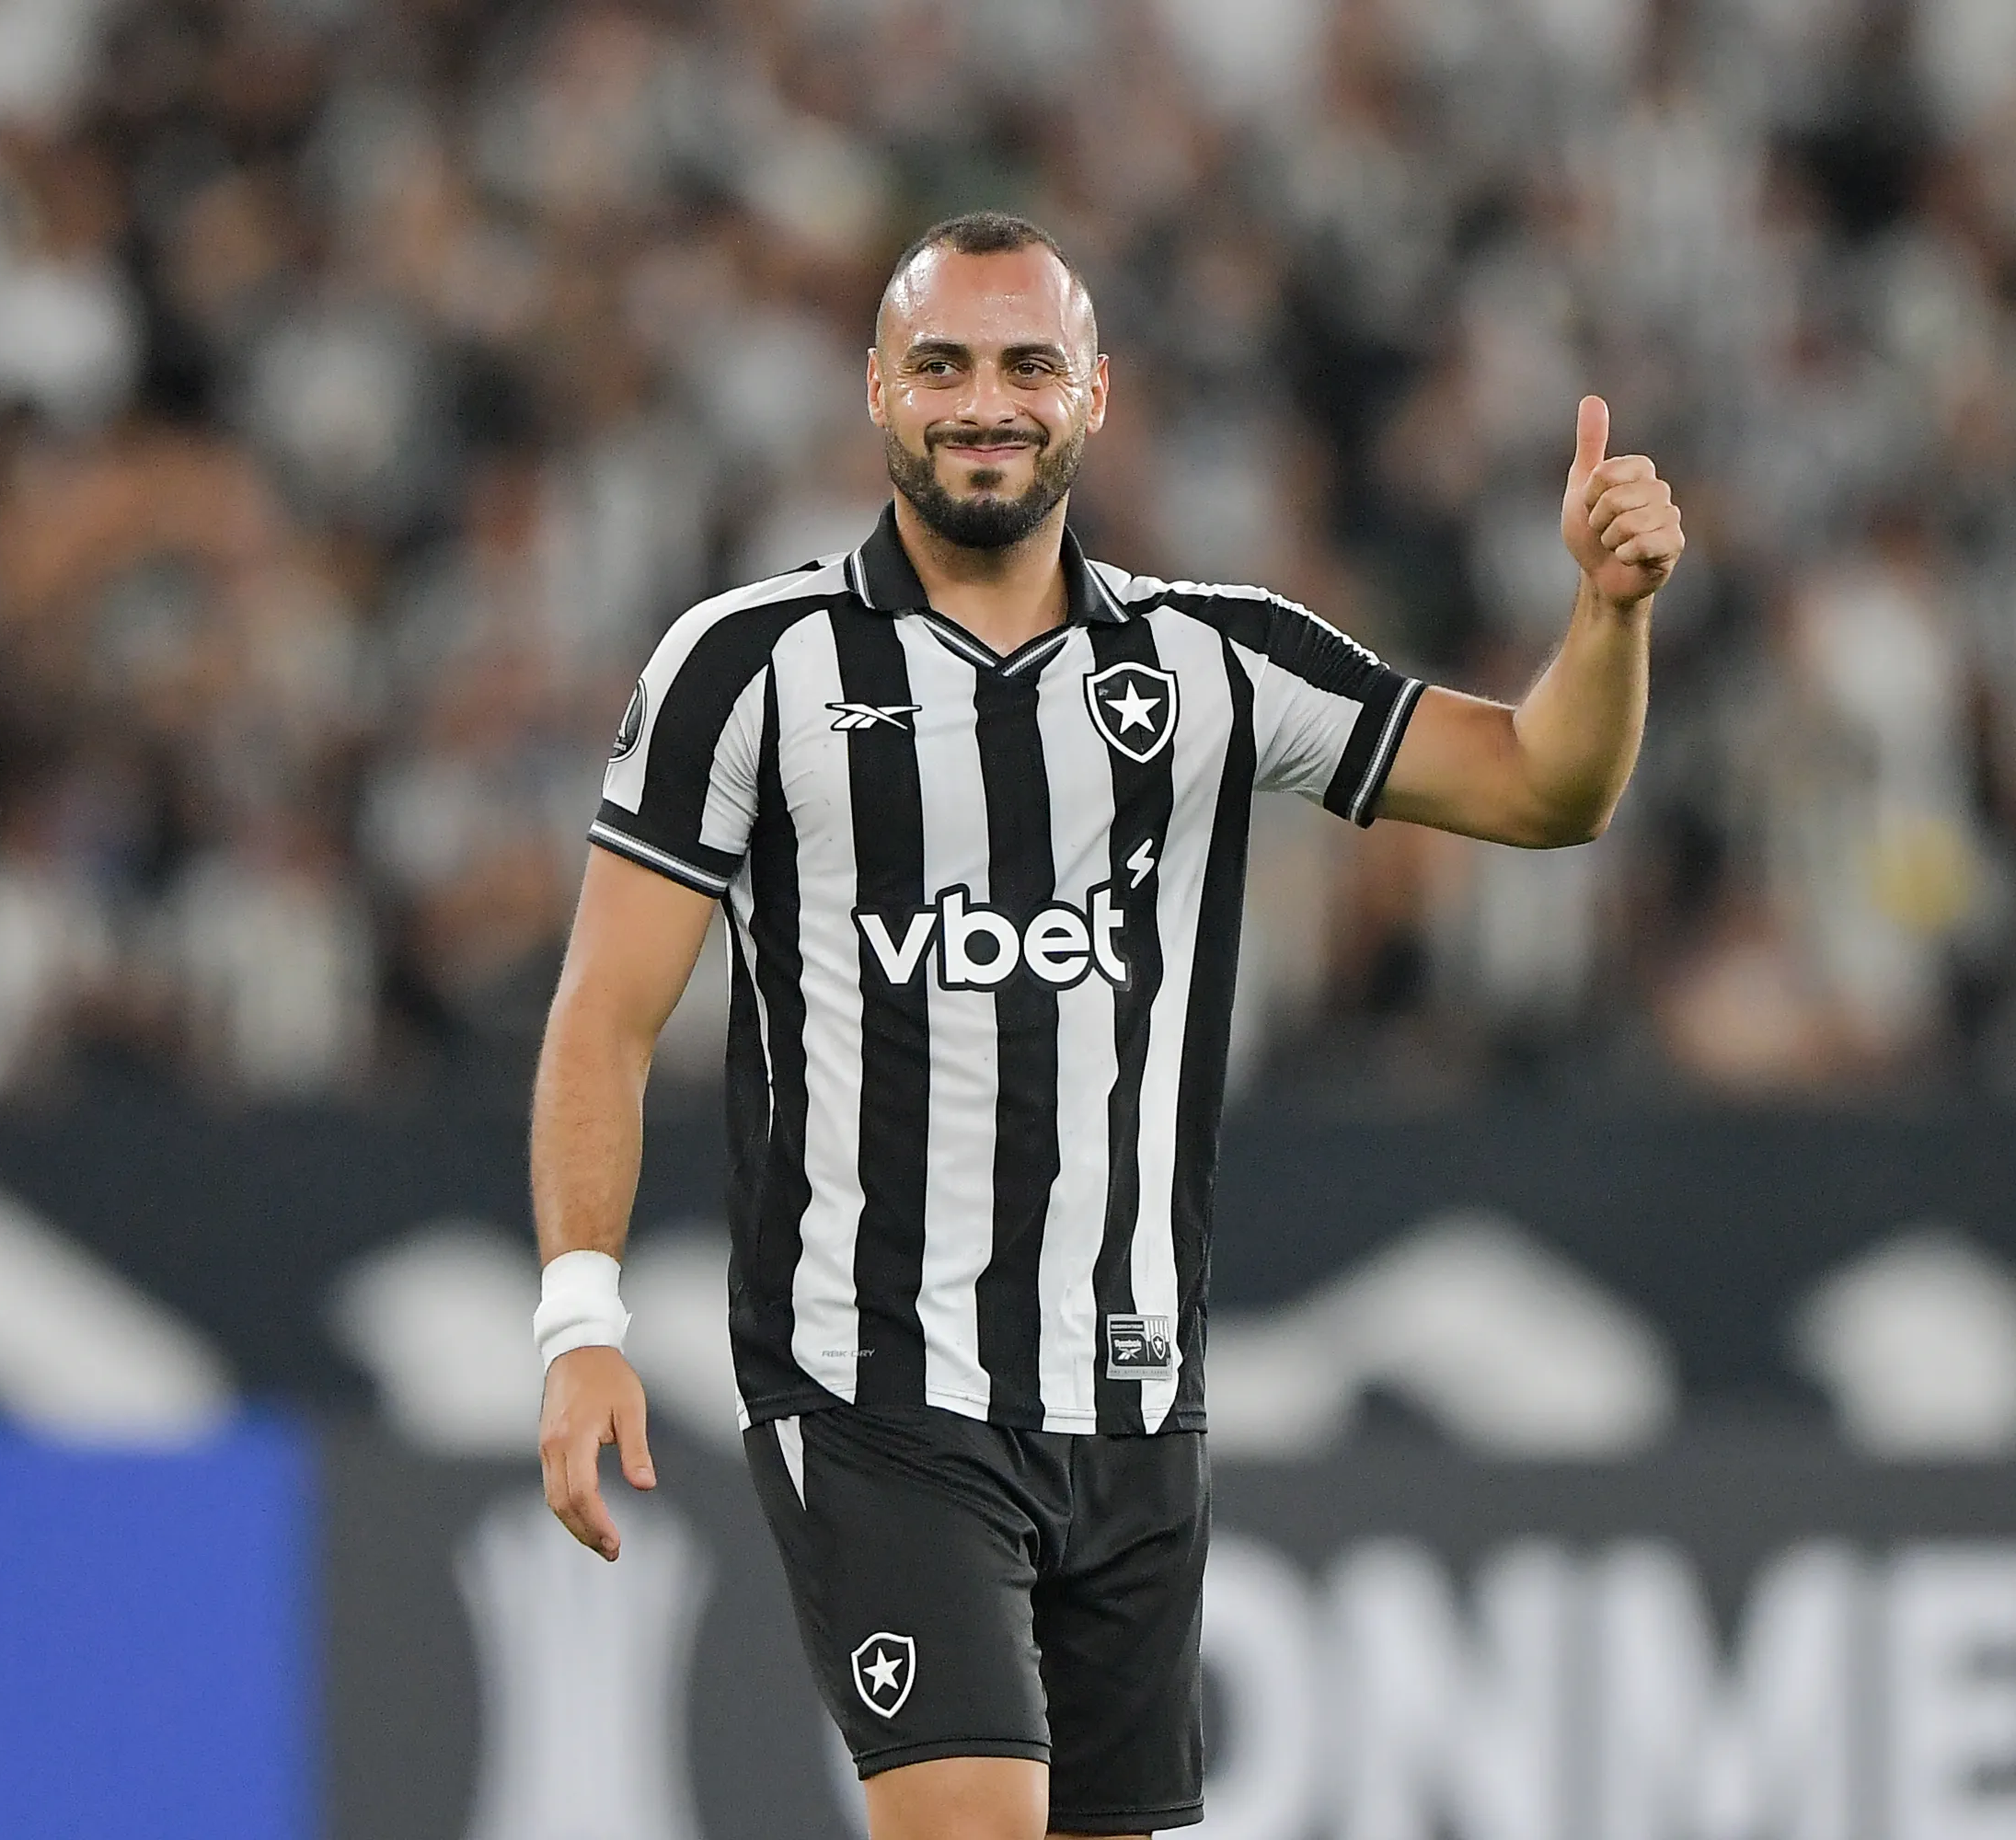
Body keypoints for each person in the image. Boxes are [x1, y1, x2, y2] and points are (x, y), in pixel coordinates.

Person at [528, 213, 1682, 1840]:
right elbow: (604, 1014)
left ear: (1096, 395)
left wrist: (1610, 615)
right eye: (942, 364)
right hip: (874, 1389)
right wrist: (579, 1319)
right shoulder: (748, 669)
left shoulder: (1212, 662)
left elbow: (1546, 788)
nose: (983, 402)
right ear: (879, 389)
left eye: (1027, 365)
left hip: (1134, 1404)